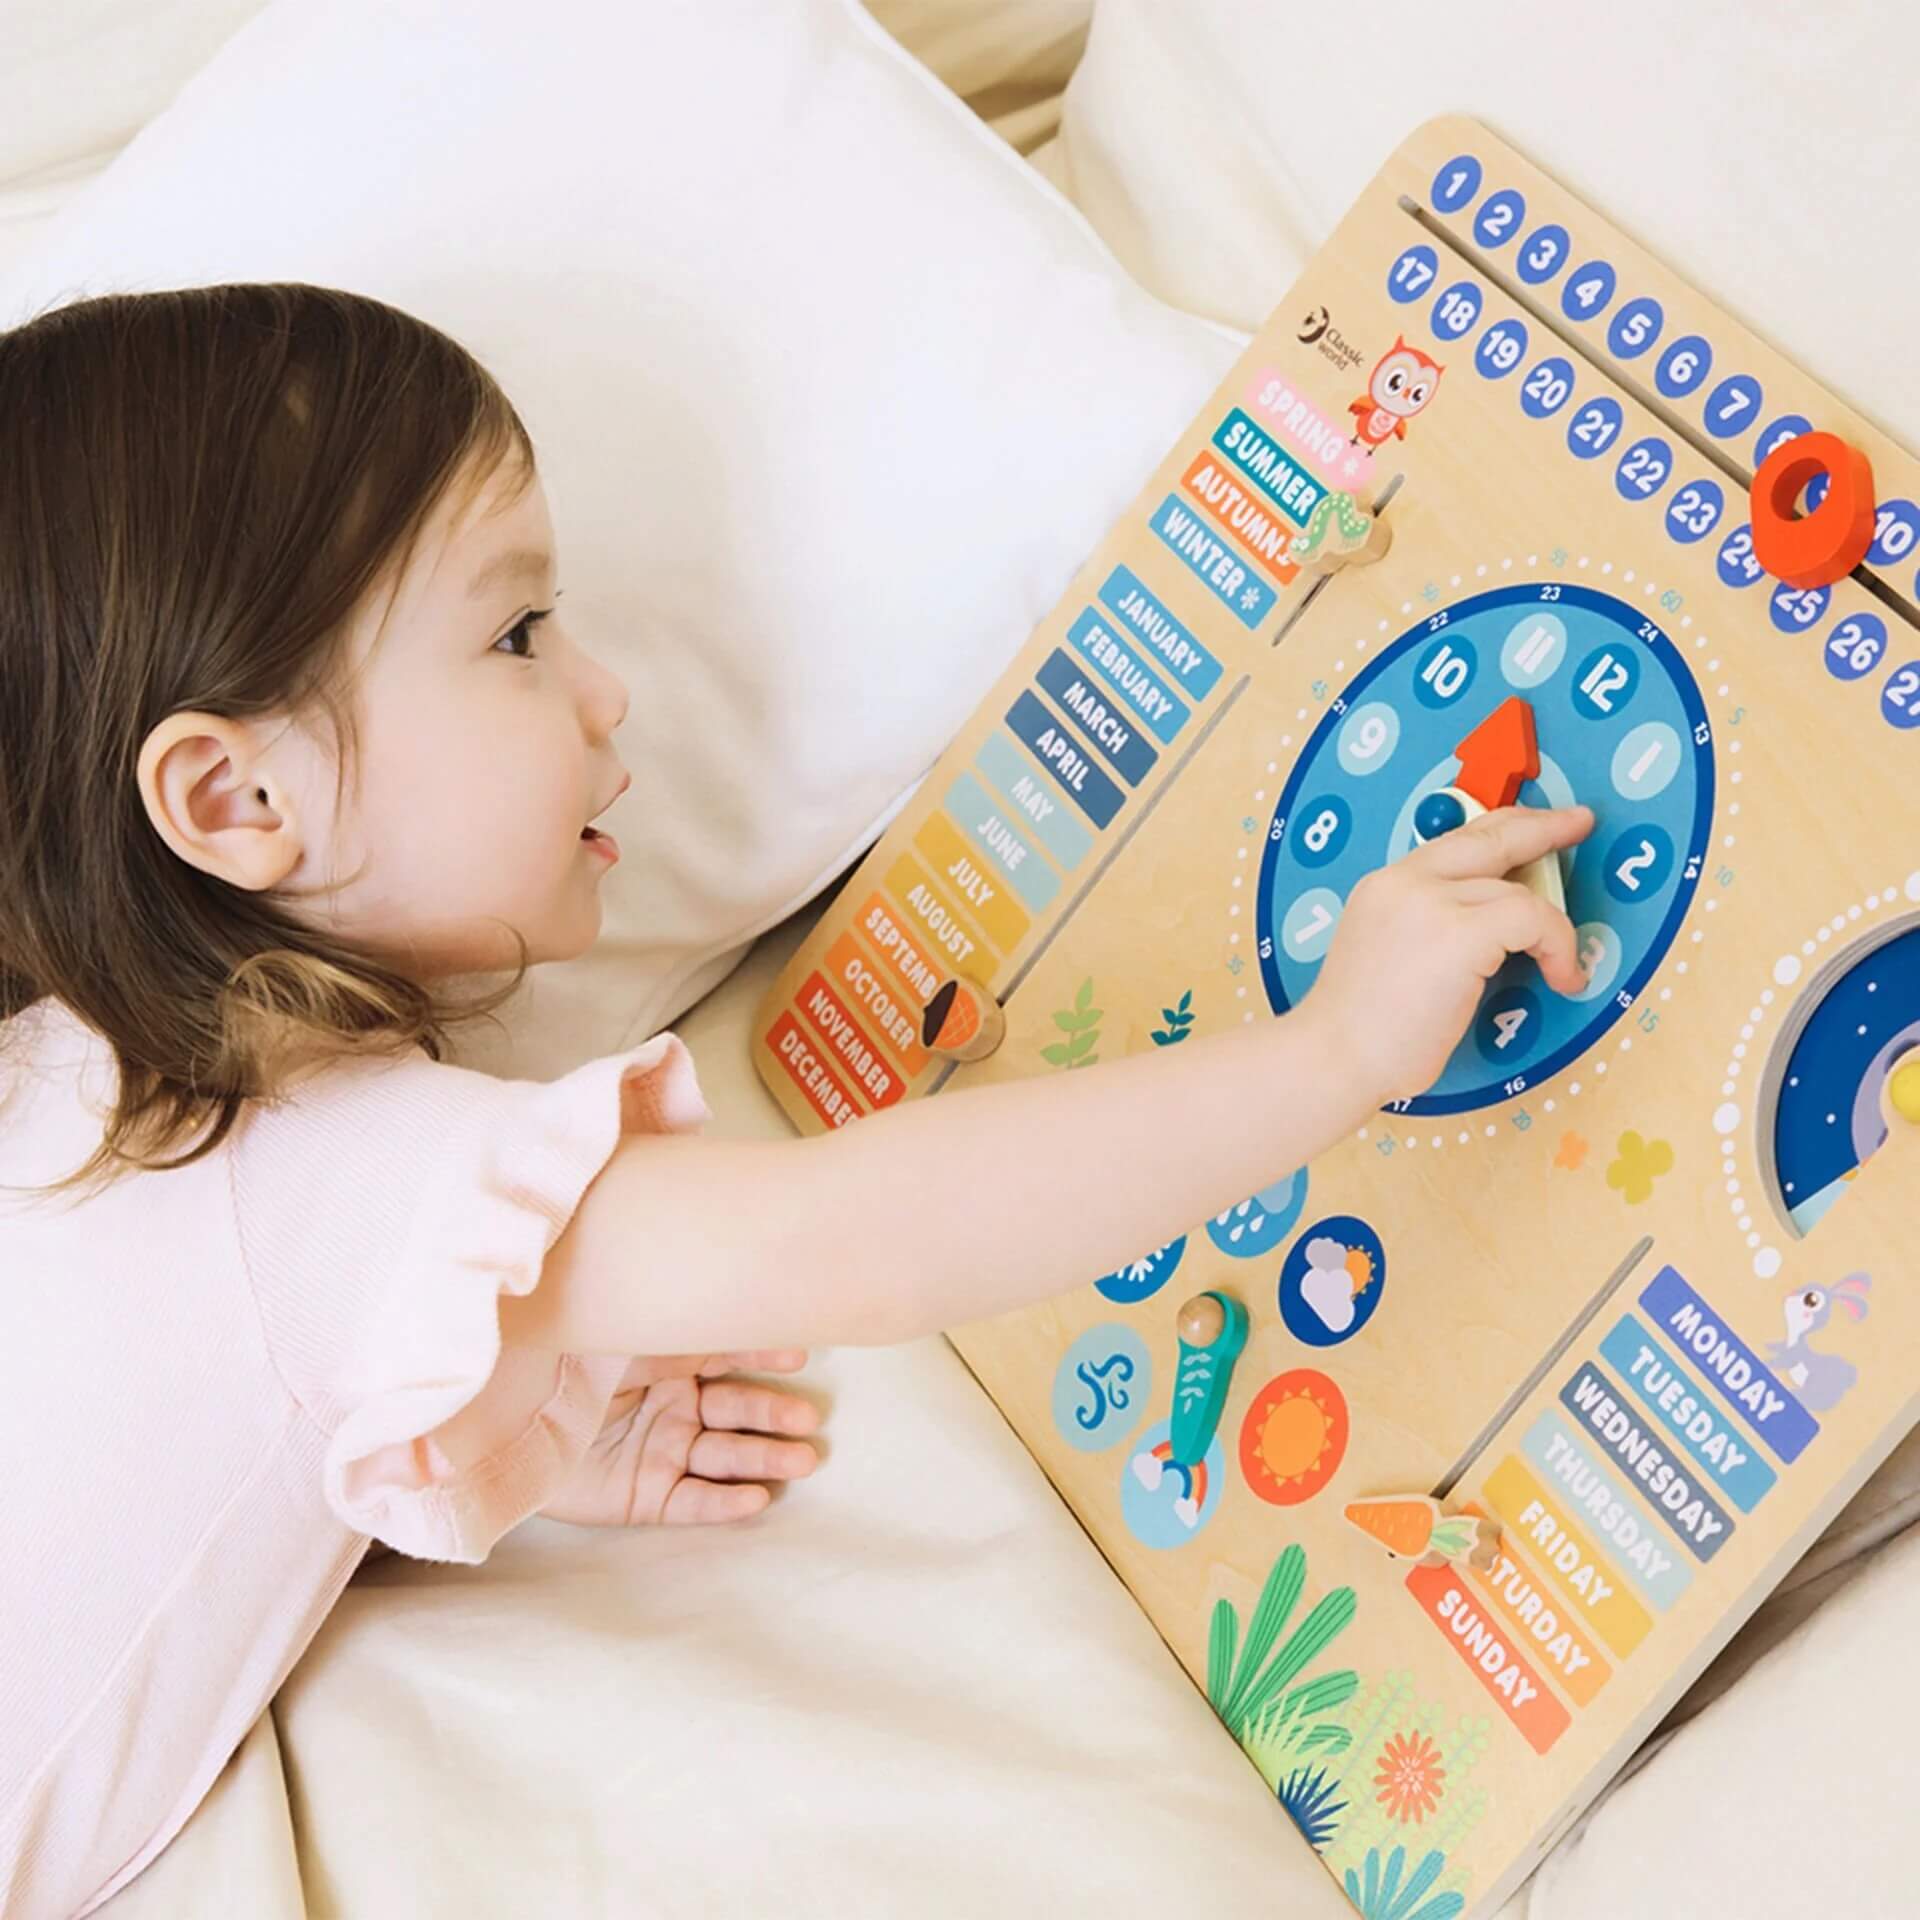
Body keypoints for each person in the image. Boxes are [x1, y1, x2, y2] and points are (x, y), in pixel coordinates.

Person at [0, 282, 1593, 1919]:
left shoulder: (71, 1073)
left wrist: (514, 1430)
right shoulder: (344, 1168)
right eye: (519, 636)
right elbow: (855, 1240)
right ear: (236, 797)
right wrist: (1330, 1056)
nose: (606, 692)